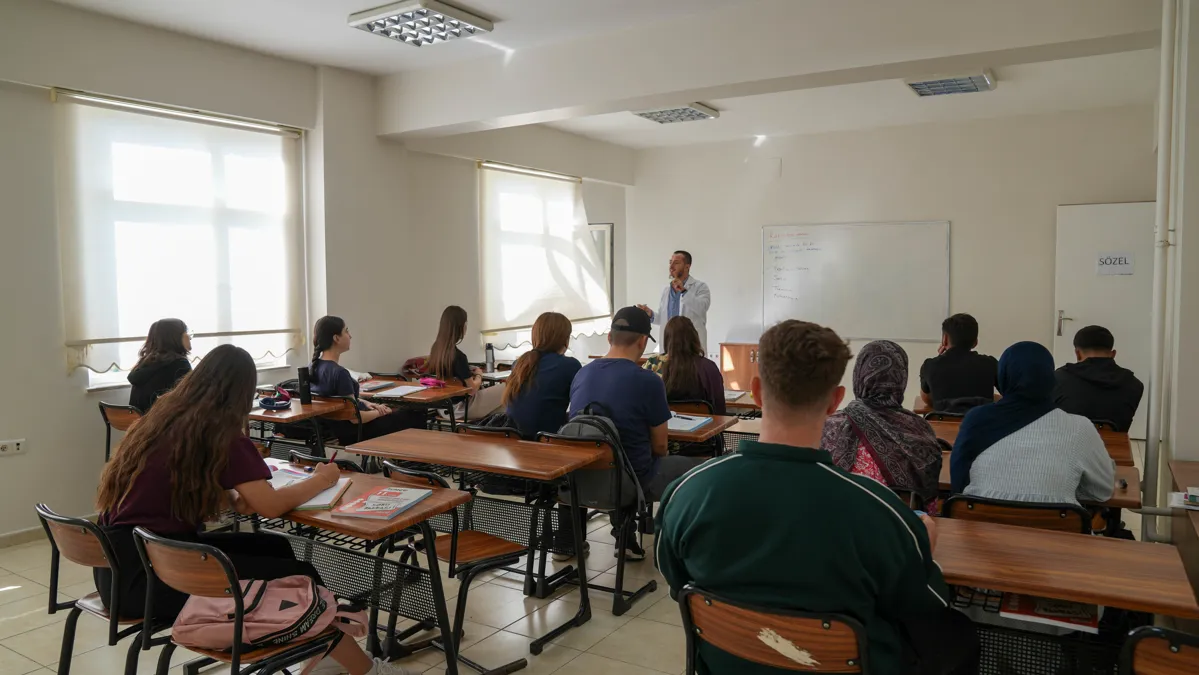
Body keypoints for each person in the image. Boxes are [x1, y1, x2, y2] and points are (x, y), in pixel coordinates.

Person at [656, 320, 978, 675]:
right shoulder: (882, 513)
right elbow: (926, 606)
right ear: (835, 401)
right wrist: (924, 547)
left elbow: (676, 583)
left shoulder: (686, 492)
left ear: (757, 391)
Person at [95, 344, 410, 675]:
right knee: (299, 577)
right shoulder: (220, 432)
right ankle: (358, 668)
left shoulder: (160, 420)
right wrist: (322, 477)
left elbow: (168, 491)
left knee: (276, 546)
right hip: (152, 580)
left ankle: (324, 656)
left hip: (120, 569)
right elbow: (271, 506)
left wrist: (231, 498)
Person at [568, 306, 705, 560]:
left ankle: (625, 535)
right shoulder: (648, 381)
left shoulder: (581, 374)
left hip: (581, 479)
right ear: (643, 341)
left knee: (621, 458)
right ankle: (684, 552)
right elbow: (660, 447)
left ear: (609, 337)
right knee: (699, 470)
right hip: (632, 482)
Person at [951, 341, 1115, 505]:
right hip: (1054, 527)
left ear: (1003, 376)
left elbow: (958, 481)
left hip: (978, 526)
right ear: (1050, 378)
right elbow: (1103, 492)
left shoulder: (976, 420)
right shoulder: (1080, 428)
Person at [821, 340, 943, 510]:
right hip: (899, 530)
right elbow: (928, 506)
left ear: (859, 374)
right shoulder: (921, 430)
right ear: (901, 377)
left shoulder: (826, 427)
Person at [309, 316, 425, 445]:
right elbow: (355, 418)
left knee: (399, 413)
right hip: (356, 431)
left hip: (338, 430)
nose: (350, 336)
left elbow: (342, 402)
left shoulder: (312, 368)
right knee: (415, 414)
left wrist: (365, 403)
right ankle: (414, 463)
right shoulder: (340, 373)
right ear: (336, 338)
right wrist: (379, 412)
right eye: (346, 331)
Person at [502, 312, 582, 437]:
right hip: (545, 441)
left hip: (512, 440)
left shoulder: (519, 363)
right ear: (565, 339)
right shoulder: (570, 365)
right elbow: (580, 407)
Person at [1053, 325, 1144, 432]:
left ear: (1077, 353)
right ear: (1113, 354)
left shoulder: (1057, 378)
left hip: (1067, 446)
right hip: (1114, 448)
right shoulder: (1135, 384)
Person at [427, 305, 505, 421]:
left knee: (502, 406)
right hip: (462, 408)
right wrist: (479, 375)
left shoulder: (435, 350)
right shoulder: (459, 356)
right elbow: (472, 390)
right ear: (461, 327)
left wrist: (466, 370)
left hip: (443, 408)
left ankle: (492, 423)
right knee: (510, 387)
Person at [643, 316, 726, 415]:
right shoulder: (709, 367)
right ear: (694, 337)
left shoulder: (653, 364)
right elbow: (720, 409)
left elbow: (642, 399)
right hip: (705, 428)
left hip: (663, 427)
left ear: (666, 339)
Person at [636, 250, 712, 353]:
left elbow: (702, 308)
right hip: (669, 345)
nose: (671, 266)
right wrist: (651, 314)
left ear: (687, 267)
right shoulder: (666, 290)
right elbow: (664, 319)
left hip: (690, 345)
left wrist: (684, 291)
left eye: (676, 263)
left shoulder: (700, 287)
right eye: (670, 262)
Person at [919, 313, 998, 412]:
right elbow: (1008, 393)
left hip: (942, 425)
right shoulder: (990, 364)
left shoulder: (929, 366)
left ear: (945, 339)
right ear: (975, 342)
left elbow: (926, 398)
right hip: (982, 425)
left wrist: (940, 359)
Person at [127, 318, 192, 412]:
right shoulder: (179, 364)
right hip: (161, 424)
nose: (189, 337)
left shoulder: (144, 362)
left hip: (140, 423)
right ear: (177, 337)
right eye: (186, 333)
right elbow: (189, 399)